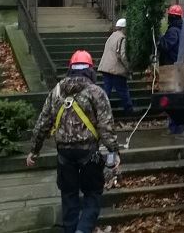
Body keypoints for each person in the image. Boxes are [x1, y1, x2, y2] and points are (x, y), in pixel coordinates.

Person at [26, 50, 121, 233]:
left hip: (64, 154)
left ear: (70, 68)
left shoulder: (56, 91)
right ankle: (83, 230)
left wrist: (34, 151)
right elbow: (106, 125)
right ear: (90, 69)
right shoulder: (96, 92)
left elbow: (43, 123)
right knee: (92, 194)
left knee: (68, 196)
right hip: (89, 152)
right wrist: (114, 151)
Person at [157, 5, 184, 134]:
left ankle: (176, 127)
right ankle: (176, 125)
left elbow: (165, 46)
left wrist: (159, 39)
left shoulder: (173, 31)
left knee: (171, 99)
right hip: (176, 68)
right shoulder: (181, 29)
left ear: (172, 17)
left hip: (170, 69)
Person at [99, 18, 133, 116]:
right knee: (123, 91)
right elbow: (122, 56)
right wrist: (129, 68)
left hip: (106, 68)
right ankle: (129, 111)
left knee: (106, 92)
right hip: (116, 69)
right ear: (124, 28)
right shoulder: (122, 38)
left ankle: (103, 112)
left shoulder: (111, 36)